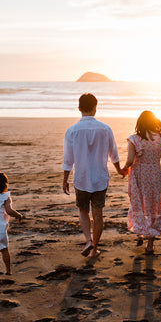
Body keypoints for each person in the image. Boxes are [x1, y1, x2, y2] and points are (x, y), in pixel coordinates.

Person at [62, 93, 124, 258]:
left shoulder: (72, 130)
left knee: (83, 211)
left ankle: (88, 240)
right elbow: (114, 154)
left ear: (79, 108)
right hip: (100, 179)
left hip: (81, 178)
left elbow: (68, 159)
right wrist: (119, 170)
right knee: (98, 214)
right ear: (95, 108)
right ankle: (94, 250)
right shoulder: (105, 129)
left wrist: (65, 180)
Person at [122, 110, 161, 254]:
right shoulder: (160, 138)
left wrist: (124, 168)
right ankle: (150, 244)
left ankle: (140, 233)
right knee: (153, 206)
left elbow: (129, 160)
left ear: (139, 123)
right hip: (156, 174)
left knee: (138, 202)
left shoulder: (134, 139)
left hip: (140, 175)